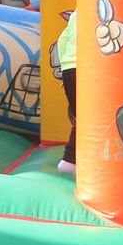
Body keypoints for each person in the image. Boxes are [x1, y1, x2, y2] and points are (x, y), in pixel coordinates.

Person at [53, 10, 78, 173]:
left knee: (78, 115)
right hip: (87, 66)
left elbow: (63, 40)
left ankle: (72, 160)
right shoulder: (102, 5)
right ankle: (70, 160)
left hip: (69, 66)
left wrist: (64, 70)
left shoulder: (77, 13)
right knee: (87, 117)